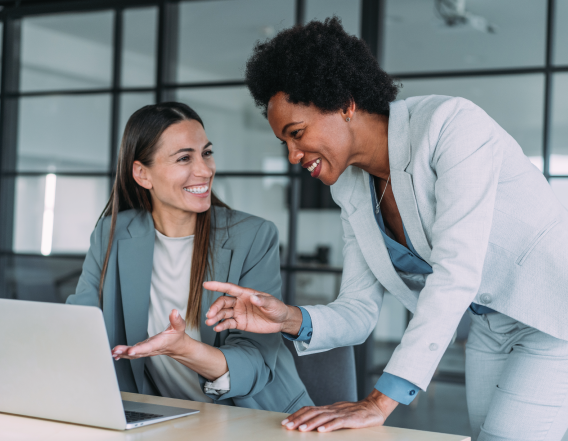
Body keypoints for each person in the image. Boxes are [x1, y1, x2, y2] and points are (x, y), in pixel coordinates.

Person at [203, 18, 568, 441]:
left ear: (344, 104)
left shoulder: (451, 126)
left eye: (297, 134)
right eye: (285, 143)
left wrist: (379, 402)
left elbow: (455, 272)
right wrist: (286, 318)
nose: (292, 155)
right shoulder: (352, 188)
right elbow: (358, 309)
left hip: (551, 313)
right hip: (489, 326)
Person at [66, 102, 313, 413]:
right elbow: (77, 327)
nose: (205, 170)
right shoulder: (112, 233)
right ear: (143, 174)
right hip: (163, 419)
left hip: (258, 416)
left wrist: (185, 350)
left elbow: (256, 362)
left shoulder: (253, 236)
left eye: (206, 153)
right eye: (184, 158)